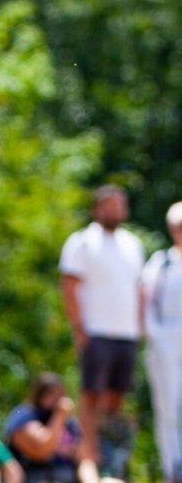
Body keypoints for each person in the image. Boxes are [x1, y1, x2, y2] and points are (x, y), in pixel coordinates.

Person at [59, 185, 143, 471]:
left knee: (116, 397)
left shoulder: (133, 244)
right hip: (96, 331)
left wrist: (140, 327)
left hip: (127, 333)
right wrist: (79, 328)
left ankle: (108, 457)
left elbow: (138, 289)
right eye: (110, 205)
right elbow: (70, 286)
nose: (116, 210)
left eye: (120, 205)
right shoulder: (82, 241)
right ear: (97, 208)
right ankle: (86, 457)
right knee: (91, 395)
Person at [142, 201, 182, 482]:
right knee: (168, 406)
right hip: (166, 337)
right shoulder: (161, 262)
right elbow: (146, 301)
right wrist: (156, 336)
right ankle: (173, 466)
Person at [4, 373, 90, 483]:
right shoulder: (26, 415)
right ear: (39, 394)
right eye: (51, 394)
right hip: (36, 477)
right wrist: (59, 416)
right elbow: (43, 449)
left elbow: (84, 460)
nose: (57, 400)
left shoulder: (70, 423)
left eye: (60, 395)